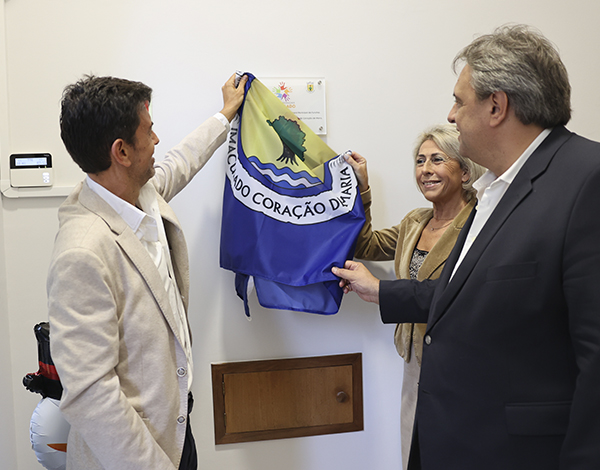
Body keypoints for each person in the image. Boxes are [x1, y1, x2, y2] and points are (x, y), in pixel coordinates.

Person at [333, 24, 600, 469]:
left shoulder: (587, 179)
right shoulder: (495, 192)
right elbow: (464, 297)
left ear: (496, 106)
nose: (452, 115)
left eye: (459, 101)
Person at [47, 72, 247, 470]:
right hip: (137, 456)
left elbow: (180, 162)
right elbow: (90, 394)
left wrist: (225, 114)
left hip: (176, 431)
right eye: (149, 131)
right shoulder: (81, 253)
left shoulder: (137, 193)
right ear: (121, 151)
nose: (156, 140)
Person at [345, 124, 483, 469]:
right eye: (420, 161)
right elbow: (366, 245)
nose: (425, 169)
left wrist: (379, 290)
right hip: (413, 360)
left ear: (465, 172)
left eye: (437, 159)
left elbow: (462, 294)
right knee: (413, 451)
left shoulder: (480, 223)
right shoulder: (415, 222)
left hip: (459, 363)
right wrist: (362, 187)